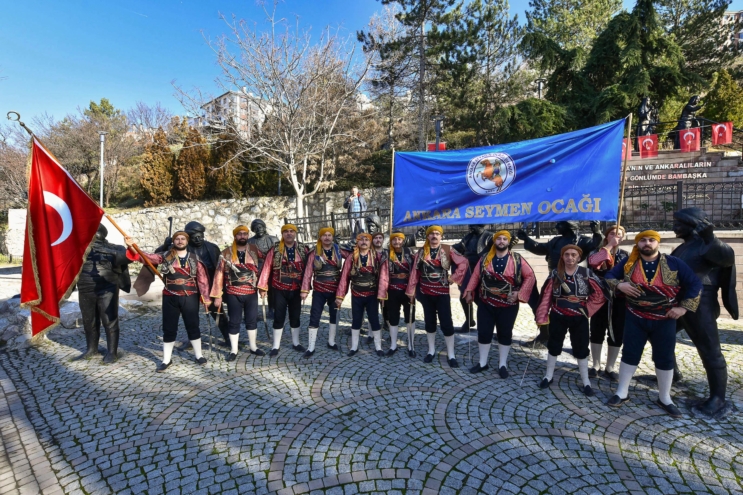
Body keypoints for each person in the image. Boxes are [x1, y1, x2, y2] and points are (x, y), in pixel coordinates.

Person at [605, 231, 702, 418]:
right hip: (635, 316)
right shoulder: (628, 263)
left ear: (657, 243)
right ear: (638, 244)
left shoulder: (674, 263)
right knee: (630, 353)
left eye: (651, 240)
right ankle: (622, 392)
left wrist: (683, 308)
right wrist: (619, 285)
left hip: (664, 318)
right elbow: (609, 276)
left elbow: (695, 284)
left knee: (664, 357)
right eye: (643, 240)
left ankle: (665, 397)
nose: (647, 243)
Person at [671, 208, 736, 416]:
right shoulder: (682, 248)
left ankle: (718, 398)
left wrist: (710, 237)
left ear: (692, 224)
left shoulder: (707, 245)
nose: (674, 227)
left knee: (709, 349)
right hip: (678, 301)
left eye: (678, 223)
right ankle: (671, 374)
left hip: (700, 302)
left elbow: (726, 257)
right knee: (661, 334)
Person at [125, 231, 211, 371]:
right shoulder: (165, 256)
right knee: (169, 328)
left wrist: (206, 300)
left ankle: (199, 355)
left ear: (187, 241)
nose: (180, 241)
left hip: (190, 297)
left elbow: (203, 281)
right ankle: (166, 360)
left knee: (193, 326)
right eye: (177, 239)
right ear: (174, 241)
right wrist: (132, 247)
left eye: (183, 239)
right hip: (170, 296)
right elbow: (146, 257)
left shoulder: (195, 258)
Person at [517, 221, 603, 346]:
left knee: (574, 310)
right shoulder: (555, 241)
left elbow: (597, 247)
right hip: (554, 279)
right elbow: (541, 248)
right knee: (541, 306)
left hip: (575, 282)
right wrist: (526, 239)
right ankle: (544, 336)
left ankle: (578, 344)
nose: (556, 226)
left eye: (560, 224)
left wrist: (597, 232)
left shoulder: (582, 240)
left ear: (570, 226)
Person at [535, 245, 606, 396]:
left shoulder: (586, 273)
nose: (570, 257)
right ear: (562, 256)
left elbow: (599, 293)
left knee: (581, 348)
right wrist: (542, 315)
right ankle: (548, 376)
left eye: (574, 255)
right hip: (558, 314)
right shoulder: (555, 274)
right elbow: (547, 295)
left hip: (579, 316)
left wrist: (587, 309)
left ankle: (586, 382)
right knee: (554, 345)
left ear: (579, 258)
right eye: (566, 254)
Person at [463, 230, 536, 378]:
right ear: (494, 242)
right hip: (486, 302)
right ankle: (482, 363)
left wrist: (519, 294)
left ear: (508, 242)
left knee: (505, 334)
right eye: (499, 239)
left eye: (504, 239)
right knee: (484, 333)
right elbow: (476, 275)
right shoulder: (485, 259)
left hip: (508, 305)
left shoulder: (517, 259)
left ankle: (502, 364)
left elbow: (530, 276)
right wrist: (469, 290)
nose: (501, 241)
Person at [406, 226, 468, 368]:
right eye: (431, 234)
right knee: (430, 322)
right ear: (427, 237)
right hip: (426, 293)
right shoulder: (421, 252)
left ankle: (451, 354)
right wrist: (411, 291)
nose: (434, 236)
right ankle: (431, 350)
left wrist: (454, 277)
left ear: (441, 236)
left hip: (442, 293)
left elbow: (463, 262)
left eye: (437, 234)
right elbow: (415, 272)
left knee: (446, 323)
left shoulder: (448, 250)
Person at [76, 224, 132, 363]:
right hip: (84, 288)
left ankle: (112, 352)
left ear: (101, 233)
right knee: (89, 320)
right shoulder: (80, 249)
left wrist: (112, 250)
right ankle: (91, 349)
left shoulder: (115, 247)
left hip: (107, 288)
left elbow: (127, 258)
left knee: (109, 319)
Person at [211, 225, 265, 362]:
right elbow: (218, 274)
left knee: (251, 320)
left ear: (247, 235)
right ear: (235, 236)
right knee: (234, 321)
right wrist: (217, 295)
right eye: (239, 234)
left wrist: (263, 286)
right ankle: (234, 350)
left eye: (245, 234)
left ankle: (253, 346)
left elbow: (266, 263)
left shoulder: (254, 249)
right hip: (233, 292)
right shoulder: (225, 253)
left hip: (251, 291)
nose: (242, 236)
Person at [257, 224, 311, 356]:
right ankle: (275, 346)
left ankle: (296, 343)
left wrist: (305, 289)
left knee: (295, 316)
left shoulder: (303, 249)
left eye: (292, 231)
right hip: (279, 288)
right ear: (282, 234)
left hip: (296, 289)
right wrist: (263, 287)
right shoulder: (275, 249)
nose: (289, 234)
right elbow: (267, 267)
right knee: (278, 316)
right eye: (286, 231)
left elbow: (308, 270)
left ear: (295, 233)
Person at [587, 225, 629, 381]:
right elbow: (593, 263)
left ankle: (610, 366)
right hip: (599, 298)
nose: (615, 236)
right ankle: (595, 365)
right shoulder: (596, 252)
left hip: (619, 298)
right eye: (612, 233)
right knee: (597, 331)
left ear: (623, 238)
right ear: (606, 236)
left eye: (619, 234)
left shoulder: (627, 256)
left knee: (616, 333)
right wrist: (609, 246)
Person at [336, 233, 388, 356]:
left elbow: (384, 277)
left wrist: (382, 294)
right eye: (361, 240)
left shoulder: (377, 257)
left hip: (372, 295)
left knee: (374, 320)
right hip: (357, 294)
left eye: (367, 240)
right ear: (357, 242)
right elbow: (344, 277)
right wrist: (340, 296)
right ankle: (354, 347)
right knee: (356, 320)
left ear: (370, 242)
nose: (364, 242)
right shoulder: (351, 257)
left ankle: (378, 347)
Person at [301, 227, 347, 356]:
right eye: (324, 235)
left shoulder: (338, 250)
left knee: (334, 314)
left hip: (335, 289)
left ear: (332, 237)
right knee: (314, 316)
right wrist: (305, 290)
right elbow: (308, 272)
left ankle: (331, 342)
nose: (327, 237)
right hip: (319, 289)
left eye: (329, 235)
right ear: (320, 237)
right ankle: (311, 347)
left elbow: (352, 258)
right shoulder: (314, 252)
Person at [452, 225, 493, 333]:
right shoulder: (468, 237)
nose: (470, 226)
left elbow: (499, 249)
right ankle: (469, 320)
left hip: (482, 271)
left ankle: (487, 323)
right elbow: (457, 247)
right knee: (463, 297)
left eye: (472, 225)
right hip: (468, 271)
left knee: (480, 300)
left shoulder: (489, 236)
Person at [386, 231, 417, 357]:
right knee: (393, 317)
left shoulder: (410, 253)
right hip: (392, 290)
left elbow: (416, 269)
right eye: (394, 240)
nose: (397, 242)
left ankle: (411, 344)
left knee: (410, 317)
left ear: (403, 241)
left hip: (408, 290)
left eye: (399, 239)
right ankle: (393, 344)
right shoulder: (386, 254)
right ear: (391, 241)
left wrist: (414, 288)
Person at [248, 219, 279, 318]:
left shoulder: (273, 239)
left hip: (271, 268)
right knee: (252, 291)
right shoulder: (250, 242)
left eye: (260, 227)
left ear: (264, 227)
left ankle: (272, 309)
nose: (259, 229)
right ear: (253, 230)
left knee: (272, 290)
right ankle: (253, 312)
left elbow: (278, 255)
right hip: (256, 268)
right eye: (256, 228)